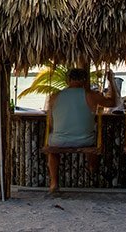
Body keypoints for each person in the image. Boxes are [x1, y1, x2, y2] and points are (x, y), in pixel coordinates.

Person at [44, 68, 117, 196]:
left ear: (68, 80)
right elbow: (113, 103)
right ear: (85, 80)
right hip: (85, 140)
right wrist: (111, 82)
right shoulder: (91, 95)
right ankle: (92, 171)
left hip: (59, 141)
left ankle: (54, 183)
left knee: (52, 151)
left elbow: (50, 122)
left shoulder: (54, 97)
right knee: (93, 142)